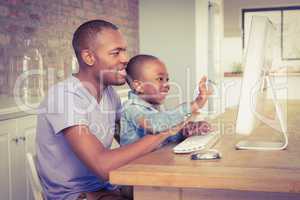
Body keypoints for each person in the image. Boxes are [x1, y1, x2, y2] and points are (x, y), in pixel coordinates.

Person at [120, 54, 212, 146]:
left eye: (167, 79)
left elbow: (163, 137)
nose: (167, 84)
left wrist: (185, 131)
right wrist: (194, 105)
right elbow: (155, 125)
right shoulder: (131, 108)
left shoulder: (152, 109)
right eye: (160, 79)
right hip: (137, 160)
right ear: (139, 86)